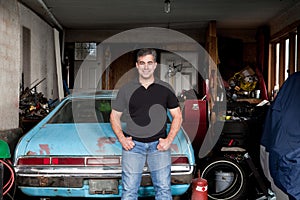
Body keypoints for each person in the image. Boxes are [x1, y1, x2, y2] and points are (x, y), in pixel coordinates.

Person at [110, 48, 182, 200]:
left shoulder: (165, 89)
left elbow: (177, 116)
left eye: (149, 63)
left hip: (159, 147)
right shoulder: (126, 89)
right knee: (129, 191)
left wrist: (168, 140)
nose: (146, 67)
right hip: (133, 147)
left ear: (155, 65)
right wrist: (122, 139)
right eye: (142, 63)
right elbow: (114, 116)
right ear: (137, 65)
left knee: (163, 190)